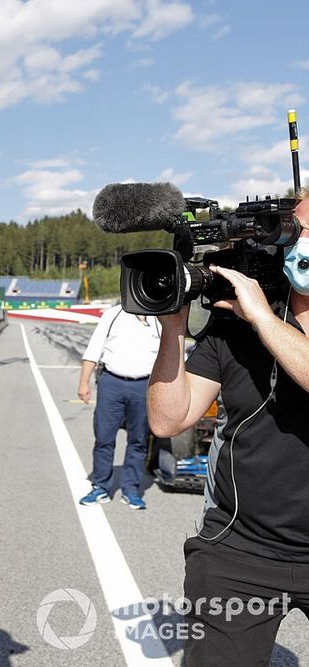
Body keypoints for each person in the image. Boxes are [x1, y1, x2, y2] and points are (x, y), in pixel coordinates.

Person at [148, 196, 309, 664]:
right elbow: (169, 419)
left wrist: (262, 319)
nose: (303, 242)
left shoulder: (255, 316)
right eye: (297, 230)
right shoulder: (235, 324)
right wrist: (173, 328)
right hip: (239, 551)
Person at [77, 304, 161, 510]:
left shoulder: (159, 319)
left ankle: (131, 490)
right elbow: (93, 349)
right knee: (104, 437)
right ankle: (101, 487)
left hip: (144, 385)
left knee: (138, 440)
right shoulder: (114, 314)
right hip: (111, 383)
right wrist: (83, 383)